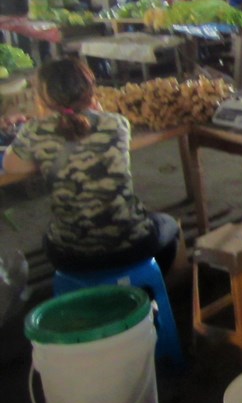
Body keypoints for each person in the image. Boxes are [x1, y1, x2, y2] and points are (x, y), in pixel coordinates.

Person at [3, 59, 186, 279]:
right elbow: (88, 128)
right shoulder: (117, 123)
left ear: (42, 98)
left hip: (70, 257)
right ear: (91, 91)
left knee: (50, 237)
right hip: (132, 247)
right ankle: (175, 294)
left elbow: (10, 165)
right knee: (171, 225)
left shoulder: (34, 131)